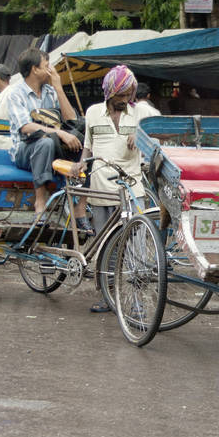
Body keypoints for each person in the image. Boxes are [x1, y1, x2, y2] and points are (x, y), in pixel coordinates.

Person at [77, 66, 148, 312]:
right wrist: (80, 164)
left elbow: (154, 140)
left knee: (135, 248)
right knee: (106, 246)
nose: (124, 100)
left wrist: (141, 135)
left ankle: (138, 302)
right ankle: (108, 297)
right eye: (120, 96)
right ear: (109, 93)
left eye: (128, 95)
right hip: (100, 188)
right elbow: (88, 147)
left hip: (131, 188)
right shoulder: (93, 113)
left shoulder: (140, 114)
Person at [8, 48, 84, 216]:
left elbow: (71, 120)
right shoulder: (16, 94)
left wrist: (58, 87)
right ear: (35, 69)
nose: (51, 70)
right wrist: (60, 133)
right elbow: (25, 127)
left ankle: (80, 205)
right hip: (25, 150)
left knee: (81, 142)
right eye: (47, 66)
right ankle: (40, 200)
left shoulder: (50, 91)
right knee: (46, 142)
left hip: (53, 148)